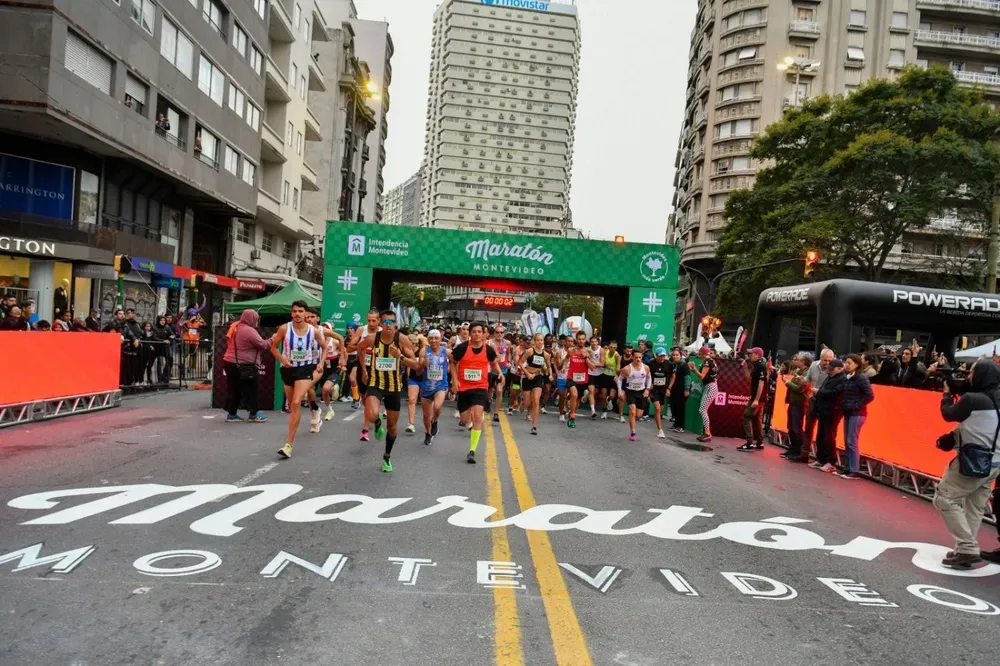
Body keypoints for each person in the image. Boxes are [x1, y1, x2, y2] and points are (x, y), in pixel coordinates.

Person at [934, 360, 1000, 568]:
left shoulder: (973, 399)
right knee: (975, 507)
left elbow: (949, 414)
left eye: (971, 373)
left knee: (944, 498)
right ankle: (964, 550)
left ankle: (967, 547)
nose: (968, 377)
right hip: (995, 462)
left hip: (973, 461)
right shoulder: (992, 398)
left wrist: (946, 394)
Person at [355, 310, 420, 473]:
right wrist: (364, 370)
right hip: (375, 383)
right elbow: (360, 348)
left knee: (392, 426)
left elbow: (415, 365)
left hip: (394, 388)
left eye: (392, 322)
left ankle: (387, 456)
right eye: (386, 322)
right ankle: (376, 424)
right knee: (372, 413)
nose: (389, 325)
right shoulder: (373, 338)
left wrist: (400, 357)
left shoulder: (402, 340)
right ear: (381, 324)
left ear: (396, 324)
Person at [271, 300, 327, 459]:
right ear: (291, 313)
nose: (297, 314)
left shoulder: (313, 331)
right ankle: (312, 414)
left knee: (296, 402)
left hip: (305, 369)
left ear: (305, 314)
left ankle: (288, 445)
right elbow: (273, 347)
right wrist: (282, 360)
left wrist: (321, 363)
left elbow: (324, 347)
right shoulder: (284, 329)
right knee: (292, 406)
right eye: (294, 311)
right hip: (288, 369)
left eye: (300, 311)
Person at [453, 322, 503, 463]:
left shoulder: (488, 350)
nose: (476, 334)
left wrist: (500, 373)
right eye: (474, 331)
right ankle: (465, 416)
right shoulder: (462, 348)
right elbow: (452, 362)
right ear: (469, 333)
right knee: (464, 419)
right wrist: (455, 379)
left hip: (481, 387)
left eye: (479, 331)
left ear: (483, 334)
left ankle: (472, 450)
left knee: (477, 416)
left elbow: (493, 363)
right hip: (464, 387)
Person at [223, 309, 271, 423]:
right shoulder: (249, 331)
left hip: (229, 362)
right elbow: (263, 345)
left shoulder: (236, 326)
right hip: (244, 365)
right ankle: (254, 414)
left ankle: (232, 414)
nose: (257, 321)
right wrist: (274, 338)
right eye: (256, 318)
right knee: (251, 389)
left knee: (234, 389)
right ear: (252, 319)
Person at [837, 353, 875, 479]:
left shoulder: (861, 378)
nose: (846, 365)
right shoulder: (848, 377)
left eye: (849, 363)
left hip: (857, 413)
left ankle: (853, 469)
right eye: (846, 362)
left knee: (852, 441)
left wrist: (856, 405)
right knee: (847, 441)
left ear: (856, 364)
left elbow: (870, 395)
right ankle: (847, 467)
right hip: (849, 412)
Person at [811, 358, 846, 473]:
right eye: (829, 369)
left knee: (829, 437)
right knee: (821, 436)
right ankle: (821, 459)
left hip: (833, 411)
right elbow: (824, 390)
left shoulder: (842, 379)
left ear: (839, 369)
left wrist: (819, 392)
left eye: (831, 369)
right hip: (823, 410)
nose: (829, 371)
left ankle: (831, 462)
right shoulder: (830, 377)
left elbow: (835, 393)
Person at [418, 329, 450, 445]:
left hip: (441, 386)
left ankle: (435, 420)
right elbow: (418, 371)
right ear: (428, 340)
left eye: (436, 338)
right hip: (426, 387)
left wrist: (453, 373)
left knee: (437, 407)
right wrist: (423, 364)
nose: (433, 340)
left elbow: (457, 360)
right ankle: (427, 433)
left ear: (440, 339)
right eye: (431, 338)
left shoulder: (445, 351)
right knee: (426, 415)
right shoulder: (424, 351)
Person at [780, 353, 813, 463]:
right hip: (793, 402)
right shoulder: (799, 371)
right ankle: (792, 449)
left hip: (800, 403)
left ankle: (797, 451)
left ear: (804, 362)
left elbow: (800, 389)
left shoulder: (807, 373)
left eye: (797, 359)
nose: (795, 361)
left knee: (796, 427)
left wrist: (787, 383)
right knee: (791, 426)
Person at [519, 332, 551, 436]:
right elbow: (520, 362)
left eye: (541, 340)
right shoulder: (529, 351)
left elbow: (548, 366)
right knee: (528, 403)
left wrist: (549, 374)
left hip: (538, 377)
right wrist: (527, 373)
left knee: (536, 400)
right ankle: (523, 403)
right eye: (538, 340)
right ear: (534, 341)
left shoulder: (546, 354)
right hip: (527, 377)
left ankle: (534, 426)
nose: (540, 342)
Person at [738, 347, 768, 452]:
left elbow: (761, 383)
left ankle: (750, 442)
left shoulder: (761, 366)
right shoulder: (756, 365)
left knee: (747, 417)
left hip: (758, 397)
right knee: (757, 419)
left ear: (757, 355)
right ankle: (759, 443)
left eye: (751, 354)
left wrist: (756, 399)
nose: (749, 355)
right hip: (760, 397)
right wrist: (745, 368)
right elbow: (749, 380)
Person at [319, 322, 347, 421]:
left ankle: (334, 388)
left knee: (326, 389)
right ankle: (329, 409)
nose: (325, 330)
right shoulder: (317, 340)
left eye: (327, 328)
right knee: (324, 391)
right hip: (321, 368)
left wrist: (343, 363)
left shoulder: (334, 341)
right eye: (323, 328)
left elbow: (344, 351)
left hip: (333, 368)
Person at [689, 346, 718, 443]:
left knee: (702, 410)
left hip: (710, 387)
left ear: (702, 353)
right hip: (711, 386)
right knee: (703, 409)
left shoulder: (706, 362)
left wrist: (694, 369)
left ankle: (707, 433)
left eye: (699, 353)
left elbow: (702, 376)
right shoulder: (712, 360)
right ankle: (706, 432)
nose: (698, 354)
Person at [565, 330, 591, 429]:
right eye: (579, 339)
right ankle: (572, 417)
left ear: (585, 340)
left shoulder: (588, 351)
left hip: (583, 380)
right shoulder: (571, 350)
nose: (581, 341)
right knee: (574, 394)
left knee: (577, 402)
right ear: (576, 339)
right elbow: (566, 359)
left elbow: (592, 367)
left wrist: (587, 358)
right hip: (571, 377)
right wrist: (564, 366)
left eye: (583, 339)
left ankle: (572, 412)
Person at [646, 348, 671, 438]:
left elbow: (672, 376)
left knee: (659, 410)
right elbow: (647, 375)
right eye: (660, 356)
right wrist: (648, 385)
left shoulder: (668, 364)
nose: (662, 357)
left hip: (663, 390)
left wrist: (669, 388)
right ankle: (660, 430)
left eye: (663, 355)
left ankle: (658, 425)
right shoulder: (651, 363)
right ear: (656, 355)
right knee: (657, 408)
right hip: (654, 390)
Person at [405, 330, 426, 433]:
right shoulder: (407, 352)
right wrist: (408, 376)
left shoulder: (422, 351)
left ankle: (429, 422)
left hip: (424, 379)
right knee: (411, 400)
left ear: (413, 343)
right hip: (413, 379)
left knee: (425, 403)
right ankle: (411, 423)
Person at [667, 349, 689, 433]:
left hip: (682, 390)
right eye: (673, 355)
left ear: (680, 356)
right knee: (675, 407)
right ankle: (676, 425)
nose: (675, 356)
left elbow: (687, 377)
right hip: (675, 390)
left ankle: (681, 426)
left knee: (680, 408)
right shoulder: (675, 365)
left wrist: (686, 389)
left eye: (677, 355)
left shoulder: (684, 365)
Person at [585, 335, 605, 420]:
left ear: (598, 342)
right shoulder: (587, 350)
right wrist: (589, 363)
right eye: (592, 342)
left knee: (598, 392)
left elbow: (602, 364)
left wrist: (592, 363)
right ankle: (593, 411)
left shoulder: (601, 350)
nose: (593, 343)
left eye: (595, 341)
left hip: (599, 374)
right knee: (591, 391)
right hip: (590, 373)